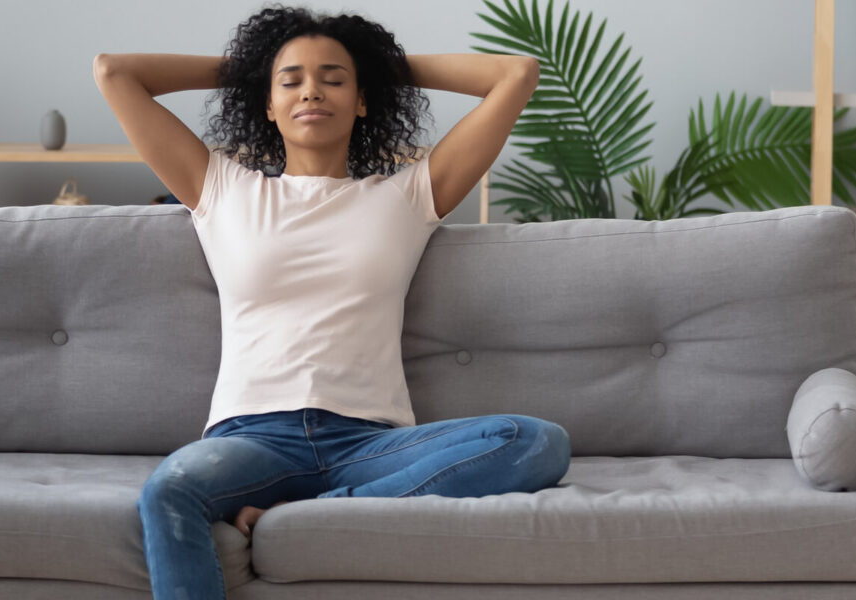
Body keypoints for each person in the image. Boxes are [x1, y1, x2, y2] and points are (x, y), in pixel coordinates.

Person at [93, 5, 571, 599]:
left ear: (364, 99)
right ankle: (316, 506)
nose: (311, 91)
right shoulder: (221, 189)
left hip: (371, 442)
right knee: (169, 490)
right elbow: (114, 72)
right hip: (252, 437)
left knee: (535, 441)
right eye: (290, 82)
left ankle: (311, 511)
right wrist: (257, 67)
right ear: (267, 104)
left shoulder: (408, 194)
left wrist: (370, 64)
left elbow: (517, 74)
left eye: (335, 79)